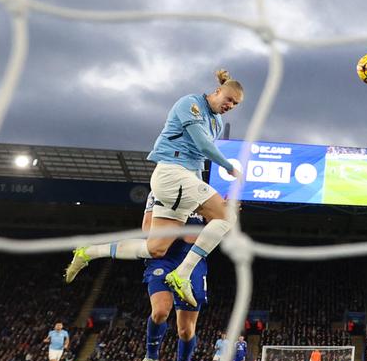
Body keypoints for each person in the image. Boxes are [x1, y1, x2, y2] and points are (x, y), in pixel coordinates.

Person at [66, 70, 243, 309]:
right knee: (226, 216)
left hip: (185, 179)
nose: (230, 105)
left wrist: (205, 196)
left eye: (235, 104)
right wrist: (229, 166)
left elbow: (198, 159)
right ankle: (183, 274)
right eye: (229, 99)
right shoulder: (190, 104)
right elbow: (201, 143)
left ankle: (89, 252)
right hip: (171, 174)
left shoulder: (217, 122)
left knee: (156, 248)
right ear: (218, 91)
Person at [132, 200, 209, 361]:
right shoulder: (158, 190)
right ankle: (151, 356)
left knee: (186, 330)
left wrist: (226, 211)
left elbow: (201, 235)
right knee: (160, 312)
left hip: (191, 260)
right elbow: (147, 229)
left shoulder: (203, 193)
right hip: (163, 258)